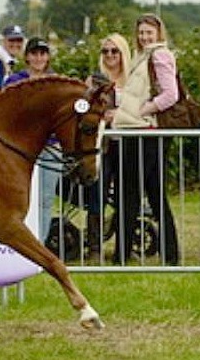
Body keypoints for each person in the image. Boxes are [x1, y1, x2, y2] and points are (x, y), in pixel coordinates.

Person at [112, 13, 179, 265]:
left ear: (158, 33)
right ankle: (170, 255)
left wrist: (143, 110)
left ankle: (122, 255)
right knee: (154, 195)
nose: (144, 36)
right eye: (141, 32)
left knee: (129, 194)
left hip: (143, 132)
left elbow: (170, 95)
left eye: (148, 32)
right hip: (141, 132)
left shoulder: (159, 56)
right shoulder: (144, 56)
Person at [83, 33, 132, 259]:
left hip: (128, 144)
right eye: (106, 51)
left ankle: (124, 247)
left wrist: (120, 115)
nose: (110, 55)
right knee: (97, 194)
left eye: (115, 51)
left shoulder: (133, 79)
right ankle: (95, 248)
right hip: (101, 145)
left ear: (123, 53)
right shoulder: (94, 80)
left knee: (126, 195)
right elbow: (84, 109)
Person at [4, 37, 58, 244]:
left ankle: (40, 245)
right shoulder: (14, 81)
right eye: (34, 53)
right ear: (27, 56)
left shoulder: (55, 82)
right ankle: (20, 247)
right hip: (21, 150)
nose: (38, 58)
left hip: (50, 148)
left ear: (48, 57)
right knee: (18, 199)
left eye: (42, 53)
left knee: (45, 200)